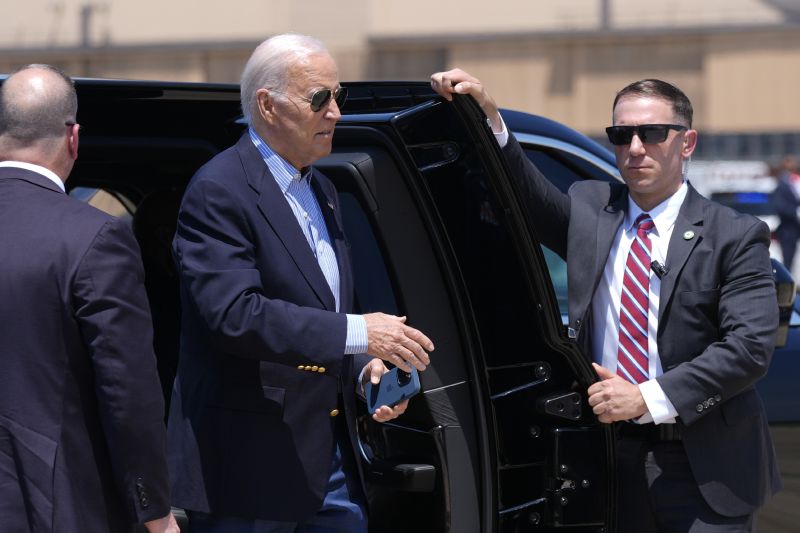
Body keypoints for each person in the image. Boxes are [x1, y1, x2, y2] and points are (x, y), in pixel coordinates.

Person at [431, 69, 781, 532]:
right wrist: (490, 118)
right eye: (622, 135)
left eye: (653, 134)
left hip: (704, 465)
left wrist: (645, 397)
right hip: (609, 458)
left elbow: (750, 348)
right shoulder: (594, 211)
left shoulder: (734, 234)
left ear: (687, 142)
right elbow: (525, 198)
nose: (635, 148)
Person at [168, 34, 434, 531]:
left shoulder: (322, 188)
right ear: (267, 106)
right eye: (319, 98)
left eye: (339, 97)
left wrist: (363, 371)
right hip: (248, 471)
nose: (335, 112)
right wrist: (359, 333)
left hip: (327, 463)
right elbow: (234, 315)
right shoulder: (219, 189)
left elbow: (322, 309)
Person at [0, 65, 178, 532]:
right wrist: (156, 512)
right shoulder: (94, 238)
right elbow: (128, 391)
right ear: (73, 138)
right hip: (53, 507)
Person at [772, 154, 800, 272]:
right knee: (788, 260)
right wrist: (796, 212)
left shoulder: (795, 181)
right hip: (789, 229)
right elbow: (780, 206)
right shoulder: (782, 184)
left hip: (795, 227)